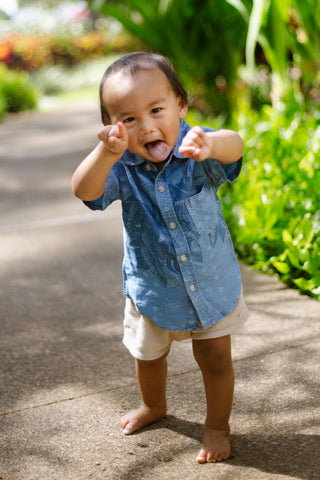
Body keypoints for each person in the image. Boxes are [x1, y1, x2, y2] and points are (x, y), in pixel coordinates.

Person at [71, 51, 249, 464]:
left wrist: (212, 143)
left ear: (181, 105)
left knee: (216, 357)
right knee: (147, 356)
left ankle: (217, 426)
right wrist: (105, 154)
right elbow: (84, 190)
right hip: (152, 288)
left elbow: (236, 145)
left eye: (156, 109)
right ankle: (154, 405)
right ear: (111, 126)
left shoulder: (197, 147)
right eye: (128, 119)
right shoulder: (120, 165)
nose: (147, 125)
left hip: (210, 281)